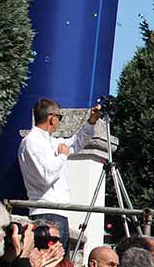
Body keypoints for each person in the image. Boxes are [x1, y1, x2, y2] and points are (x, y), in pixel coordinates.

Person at [17, 98, 101, 237]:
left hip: (57, 211)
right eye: (59, 117)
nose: (59, 122)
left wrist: (91, 121)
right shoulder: (32, 141)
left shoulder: (49, 140)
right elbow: (46, 176)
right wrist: (62, 156)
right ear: (52, 118)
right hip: (45, 211)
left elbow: (74, 143)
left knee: (61, 258)